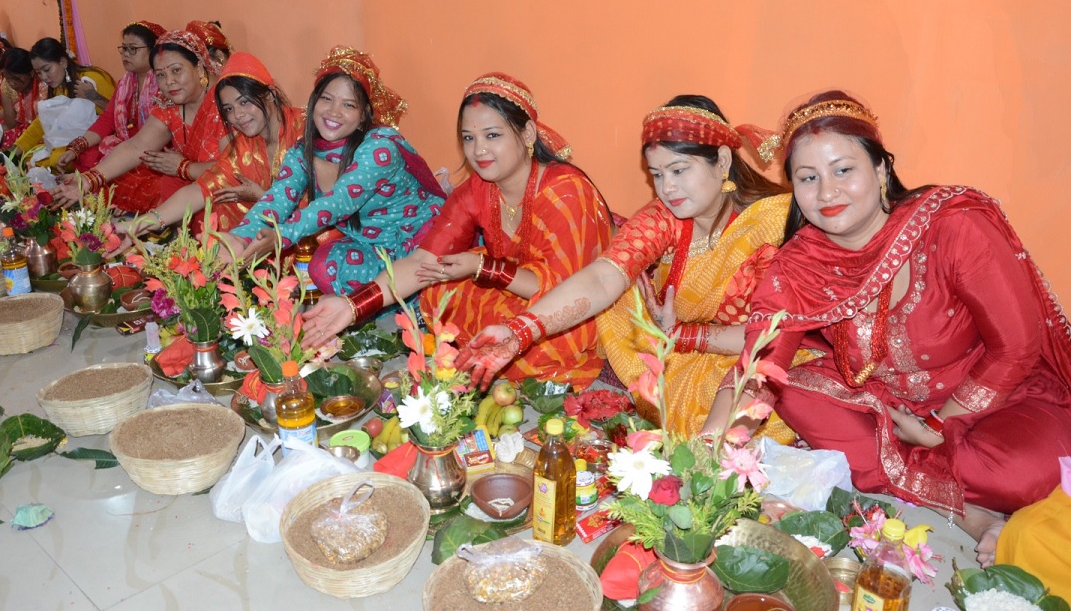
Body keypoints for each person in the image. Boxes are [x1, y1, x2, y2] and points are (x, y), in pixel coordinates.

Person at [701, 90, 1071, 564]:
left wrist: (939, 426)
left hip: (995, 399)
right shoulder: (799, 266)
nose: (827, 193)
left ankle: (938, 483)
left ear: (880, 170)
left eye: (843, 170)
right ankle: (969, 509)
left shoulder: (951, 227)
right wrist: (708, 449)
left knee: (1024, 472)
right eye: (808, 178)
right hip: (888, 403)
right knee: (793, 392)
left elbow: (1018, 347)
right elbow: (759, 370)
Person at [458, 98, 809, 432]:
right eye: (657, 174)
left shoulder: (774, 222)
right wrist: (520, 330)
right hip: (672, 337)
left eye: (679, 170)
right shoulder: (664, 217)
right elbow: (603, 277)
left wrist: (681, 335)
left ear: (721, 161)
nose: (667, 188)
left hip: (752, 347)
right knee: (615, 297)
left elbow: (774, 335)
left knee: (767, 390)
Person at [302, 74, 612, 389]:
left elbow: (565, 291)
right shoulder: (478, 189)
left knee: (541, 342)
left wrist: (482, 267)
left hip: (570, 303)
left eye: (492, 135)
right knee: (437, 290)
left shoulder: (565, 192)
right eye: (468, 138)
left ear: (528, 132)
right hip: (513, 286)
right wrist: (353, 305)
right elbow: (421, 262)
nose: (479, 151)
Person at [218, 46, 446, 294]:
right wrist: (241, 237)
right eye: (326, 99)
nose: (334, 111)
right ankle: (380, 305)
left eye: (348, 105)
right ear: (314, 102)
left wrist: (281, 236)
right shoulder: (302, 151)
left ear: (363, 116)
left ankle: (404, 302)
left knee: (425, 304)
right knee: (324, 268)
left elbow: (338, 202)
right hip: (374, 248)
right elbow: (278, 198)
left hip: (420, 241)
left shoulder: (381, 147)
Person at [51, 29, 227, 215]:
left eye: (176, 70)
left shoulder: (227, 103)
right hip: (189, 188)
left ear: (199, 68)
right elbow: (137, 146)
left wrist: (184, 168)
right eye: (160, 75)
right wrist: (88, 180)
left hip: (226, 191)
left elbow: (236, 170)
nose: (169, 82)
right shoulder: (170, 105)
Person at [127, 51, 303, 235]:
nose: (237, 115)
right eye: (229, 109)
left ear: (269, 94)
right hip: (271, 238)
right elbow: (199, 191)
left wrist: (262, 197)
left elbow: (323, 204)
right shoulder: (243, 145)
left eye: (244, 102)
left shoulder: (305, 130)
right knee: (220, 200)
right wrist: (135, 226)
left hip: (315, 244)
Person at [57, 21, 167, 213]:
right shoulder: (126, 82)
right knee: (86, 154)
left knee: (138, 179)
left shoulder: (165, 85)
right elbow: (108, 119)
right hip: (126, 146)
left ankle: (116, 200)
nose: (125, 54)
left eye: (133, 49)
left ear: (155, 51)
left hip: (154, 152)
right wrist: (77, 146)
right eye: (123, 48)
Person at [10, 38, 116, 167]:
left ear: (63, 62)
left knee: (55, 161)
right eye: (38, 73)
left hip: (100, 148)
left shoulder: (91, 79)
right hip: (73, 148)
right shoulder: (58, 87)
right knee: (32, 159)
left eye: (47, 69)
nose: (43, 77)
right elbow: (42, 123)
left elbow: (119, 116)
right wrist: (15, 150)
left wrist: (93, 96)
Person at [0, 47, 43, 149]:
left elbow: (43, 126)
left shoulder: (44, 87)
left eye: (16, 78)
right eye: (7, 78)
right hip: (23, 134)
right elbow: (10, 124)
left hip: (40, 134)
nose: (11, 83)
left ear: (31, 72)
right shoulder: (9, 85)